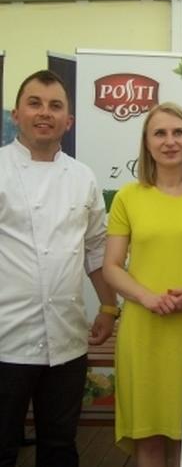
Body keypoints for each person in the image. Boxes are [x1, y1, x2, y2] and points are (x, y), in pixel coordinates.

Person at [102, 102, 182, 467]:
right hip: (143, 331)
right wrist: (146, 297)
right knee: (149, 437)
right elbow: (111, 266)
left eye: (178, 132)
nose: (169, 141)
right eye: (159, 133)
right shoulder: (127, 197)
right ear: (147, 142)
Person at [0, 70, 116, 467]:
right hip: (5, 339)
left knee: (60, 447)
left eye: (55, 106)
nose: (44, 113)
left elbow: (95, 248)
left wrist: (108, 307)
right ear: (16, 114)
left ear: (69, 121)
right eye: (34, 103)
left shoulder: (82, 177)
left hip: (67, 340)